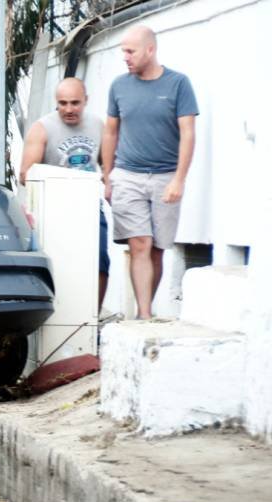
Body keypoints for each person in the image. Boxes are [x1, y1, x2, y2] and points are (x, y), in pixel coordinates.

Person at [101, 25, 197, 320]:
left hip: (166, 176)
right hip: (128, 175)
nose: (125, 57)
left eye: (130, 51)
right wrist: (108, 176)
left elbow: (188, 133)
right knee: (139, 242)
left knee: (157, 249)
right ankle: (144, 315)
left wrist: (179, 179)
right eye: (123, 52)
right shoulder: (119, 86)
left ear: (150, 50)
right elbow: (110, 132)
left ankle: (147, 308)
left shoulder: (178, 84)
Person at [20, 77, 108, 311]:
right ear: (56, 102)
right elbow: (25, 174)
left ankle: (93, 319)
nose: (69, 109)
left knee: (100, 263)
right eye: (63, 103)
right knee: (59, 265)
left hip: (89, 205)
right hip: (55, 207)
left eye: (75, 103)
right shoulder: (42, 128)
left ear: (86, 101)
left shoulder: (98, 125)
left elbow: (108, 166)